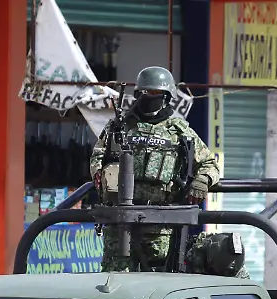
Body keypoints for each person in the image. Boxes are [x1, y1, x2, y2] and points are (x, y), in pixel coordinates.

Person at [90, 66, 221, 272]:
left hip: (160, 224)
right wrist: (101, 176)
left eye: (154, 93)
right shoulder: (120, 127)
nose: (147, 97)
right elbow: (98, 157)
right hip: (120, 220)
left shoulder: (179, 131)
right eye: (143, 92)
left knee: (156, 282)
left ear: (166, 96)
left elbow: (210, 164)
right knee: (115, 280)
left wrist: (202, 180)